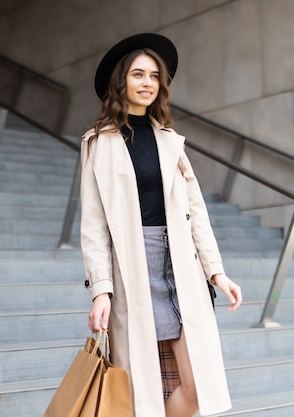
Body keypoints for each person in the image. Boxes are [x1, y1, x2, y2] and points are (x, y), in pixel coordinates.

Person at [80, 33, 243, 417]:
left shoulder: (170, 141)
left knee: (197, 387)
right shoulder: (98, 143)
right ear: (121, 82)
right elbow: (93, 225)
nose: (148, 83)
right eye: (138, 74)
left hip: (180, 269)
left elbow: (196, 212)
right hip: (133, 269)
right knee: (141, 394)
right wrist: (100, 290)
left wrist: (216, 272)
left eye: (155, 76)